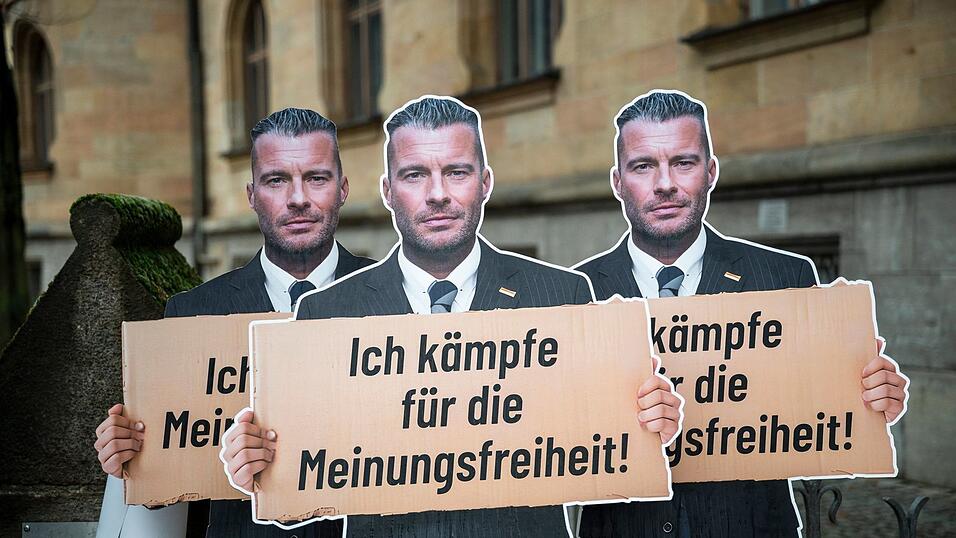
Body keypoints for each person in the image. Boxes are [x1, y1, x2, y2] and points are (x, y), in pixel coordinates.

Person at [221, 96, 683, 537]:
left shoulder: (562, 296)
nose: (437, 194)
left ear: (485, 182)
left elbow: (608, 454)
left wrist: (648, 425)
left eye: (456, 172)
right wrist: (261, 471)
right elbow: (303, 491)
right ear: (388, 190)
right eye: (415, 174)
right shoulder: (326, 314)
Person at [574, 90, 908, 537]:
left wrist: (867, 395)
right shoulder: (574, 294)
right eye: (643, 166)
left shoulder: (783, 277)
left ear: (710, 172)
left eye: (683, 162)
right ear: (618, 182)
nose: (665, 183)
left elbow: (821, 410)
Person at [92, 108, 374, 538]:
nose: (297, 198)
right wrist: (131, 462)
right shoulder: (193, 314)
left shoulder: (402, 303)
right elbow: (170, 485)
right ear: (251, 195)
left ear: (343, 189)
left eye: (316, 178)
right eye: (276, 180)